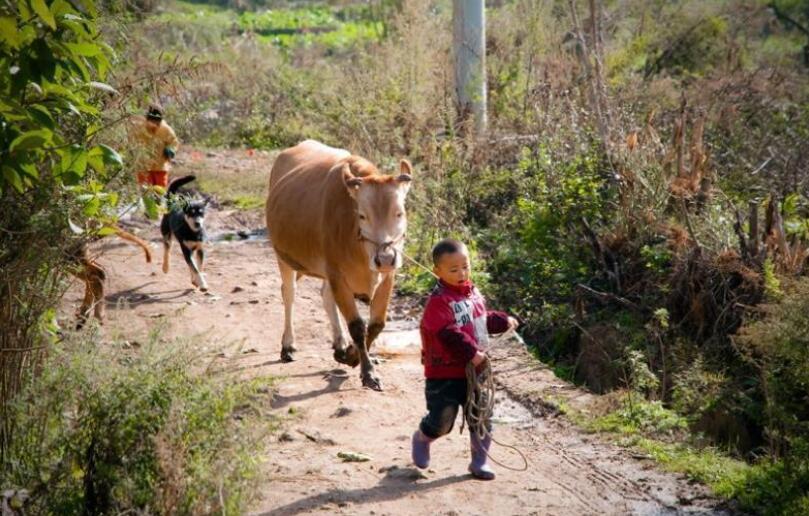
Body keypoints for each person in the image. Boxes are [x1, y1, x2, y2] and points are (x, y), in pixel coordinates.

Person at [411, 238, 518, 480]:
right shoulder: (438, 303)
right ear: (438, 271)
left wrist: (502, 320)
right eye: (454, 269)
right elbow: (450, 334)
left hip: (476, 371)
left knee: (481, 417)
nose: (462, 273)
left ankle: (479, 462)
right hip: (445, 374)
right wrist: (473, 353)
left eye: (465, 266)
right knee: (442, 420)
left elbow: (480, 320)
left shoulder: (472, 294)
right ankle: (423, 437)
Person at [129, 104, 179, 189]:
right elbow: (131, 141)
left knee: (160, 191)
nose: (155, 124)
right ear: (148, 119)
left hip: (160, 166)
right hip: (143, 166)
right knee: (144, 191)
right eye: (153, 121)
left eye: (157, 122)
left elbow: (173, 142)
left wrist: (170, 150)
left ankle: (159, 201)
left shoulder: (166, 130)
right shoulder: (139, 128)